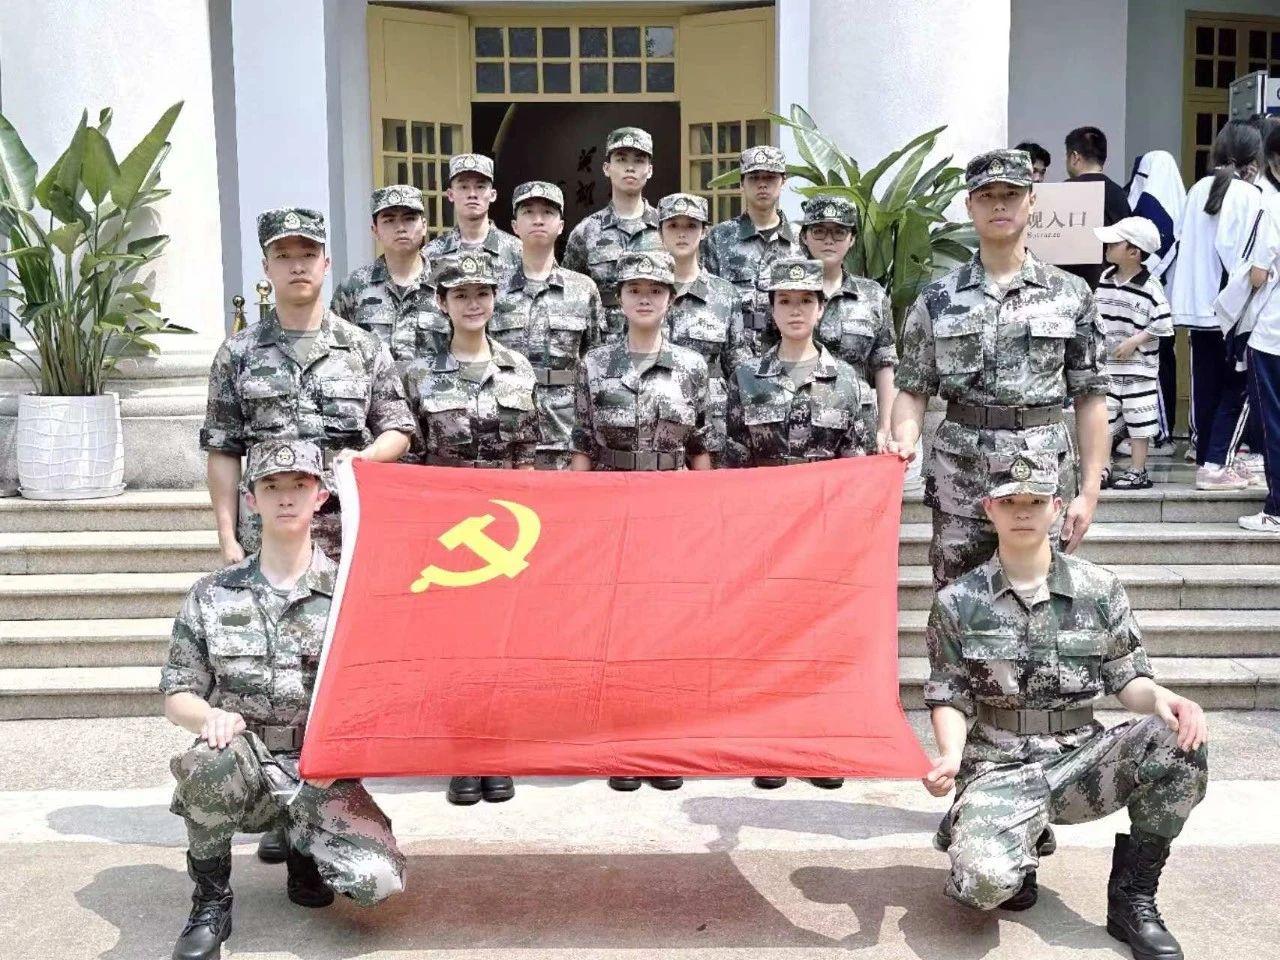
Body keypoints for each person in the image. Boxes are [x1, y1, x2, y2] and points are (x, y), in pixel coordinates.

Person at [922, 450, 1207, 960]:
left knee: (1178, 740)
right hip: (998, 764)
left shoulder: (1099, 589)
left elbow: (1128, 678)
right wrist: (949, 756)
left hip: (1080, 760)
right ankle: (1000, 833)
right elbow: (949, 693)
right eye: (1010, 501)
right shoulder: (957, 601)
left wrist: (1166, 699)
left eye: (1035, 501)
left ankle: (1133, 898)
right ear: (989, 508)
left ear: (1057, 507)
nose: (1023, 511)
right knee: (984, 887)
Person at [201, 208, 415, 865]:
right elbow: (222, 448)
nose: (297, 265)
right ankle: (277, 805)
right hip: (268, 542)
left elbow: (399, 428)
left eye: (308, 254)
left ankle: (329, 801)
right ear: (267, 267)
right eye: (284, 255)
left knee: (335, 678)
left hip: (343, 546)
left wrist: (365, 457)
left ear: (326, 263)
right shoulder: (239, 353)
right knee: (270, 678)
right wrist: (227, 536)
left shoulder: (363, 348)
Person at [160, 439, 406, 960]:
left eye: (300, 485)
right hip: (245, 763)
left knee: (378, 881)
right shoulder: (213, 593)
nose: (286, 497)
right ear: (251, 500)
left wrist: (344, 750)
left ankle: (303, 848)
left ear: (321, 497)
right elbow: (178, 693)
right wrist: (210, 716)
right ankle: (211, 899)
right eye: (272, 487)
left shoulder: (351, 592)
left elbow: (379, 694)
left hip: (322, 772)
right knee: (207, 762)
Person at [890, 149, 1109, 590]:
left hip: (1040, 477)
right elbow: (912, 389)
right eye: (986, 196)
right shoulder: (937, 299)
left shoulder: (1069, 294)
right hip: (960, 479)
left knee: (1041, 602)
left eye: (1010, 194)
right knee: (957, 602)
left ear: (1032, 200)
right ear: (969, 205)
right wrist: (904, 441)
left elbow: (1090, 396)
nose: (999, 205)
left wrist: (1089, 493)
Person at [725, 257, 876, 792]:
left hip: (824, 534)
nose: (795, 310)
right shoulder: (746, 378)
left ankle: (819, 744)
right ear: (770, 309)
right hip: (763, 532)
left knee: (820, 639)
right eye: (785, 301)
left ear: (821, 308)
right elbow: (733, 460)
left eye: (805, 301)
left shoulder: (848, 381)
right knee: (767, 637)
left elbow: (859, 464)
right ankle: (770, 742)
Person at [571, 249, 710, 792]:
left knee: (667, 625)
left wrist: (706, 515)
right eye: (635, 290)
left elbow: (702, 446)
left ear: (671, 299)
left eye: (655, 290)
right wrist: (577, 516)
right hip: (610, 506)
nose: (645, 298)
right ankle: (621, 739)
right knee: (616, 625)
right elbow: (582, 442)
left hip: (672, 506)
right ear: (620, 299)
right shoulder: (594, 365)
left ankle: (662, 738)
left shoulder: (692, 368)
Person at [404, 252, 538, 806]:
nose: (473, 303)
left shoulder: (519, 369)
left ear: (495, 299)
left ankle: (496, 749)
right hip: (447, 532)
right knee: (454, 645)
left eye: (482, 293)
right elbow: (410, 457)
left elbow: (530, 454)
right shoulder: (418, 374)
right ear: (442, 303)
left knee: (502, 643)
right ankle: (461, 752)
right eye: (460, 295)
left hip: (508, 531)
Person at [1168, 120, 1263, 490]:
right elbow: (1241, 255)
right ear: (1253, 158)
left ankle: (1208, 457)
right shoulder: (1247, 194)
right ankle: (1216, 463)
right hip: (1229, 309)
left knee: (1206, 387)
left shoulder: (1198, 189)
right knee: (1237, 387)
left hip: (1196, 307)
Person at [492, 181, 604, 470]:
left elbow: (595, 362)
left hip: (565, 432)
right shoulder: (492, 289)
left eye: (548, 213)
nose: (538, 219)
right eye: (528, 212)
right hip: (504, 430)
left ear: (561, 226)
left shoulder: (583, 289)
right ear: (515, 225)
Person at [797, 194, 897, 450]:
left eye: (839, 232)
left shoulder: (872, 295)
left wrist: (885, 427)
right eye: (819, 231)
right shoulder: (787, 294)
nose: (829, 240)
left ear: (852, 239)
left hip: (857, 425)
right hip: (798, 423)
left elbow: (884, 364)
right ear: (805, 236)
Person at [659, 192, 751, 466]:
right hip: (657, 418)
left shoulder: (724, 294)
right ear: (660, 231)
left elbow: (737, 365)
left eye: (691, 226)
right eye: (673, 225)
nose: (682, 233)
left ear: (704, 231)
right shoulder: (645, 291)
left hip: (712, 421)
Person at [1095, 217, 1174, 490]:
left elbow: (1163, 322)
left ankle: (1138, 470)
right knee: (1104, 419)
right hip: (1108, 367)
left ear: (1134, 252)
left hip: (1139, 369)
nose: (1107, 246)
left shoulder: (1150, 286)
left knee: (1139, 420)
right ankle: (1103, 467)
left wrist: (1135, 341)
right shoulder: (1105, 279)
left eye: (1114, 243)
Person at [563, 127, 663, 342]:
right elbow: (570, 295)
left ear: (650, 170)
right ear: (607, 168)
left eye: (638, 160)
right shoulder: (585, 231)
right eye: (621, 159)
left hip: (657, 341)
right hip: (602, 347)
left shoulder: (665, 228)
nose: (630, 167)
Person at [330, 184, 446, 367]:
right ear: (375, 230)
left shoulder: (448, 284)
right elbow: (336, 351)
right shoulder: (352, 288)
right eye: (389, 220)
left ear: (424, 226)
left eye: (409, 219)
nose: (400, 228)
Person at [702, 145, 803, 354]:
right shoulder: (720, 237)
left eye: (770, 177)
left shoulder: (801, 239)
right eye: (754, 178)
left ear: (783, 182)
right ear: (742, 184)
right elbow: (708, 299)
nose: (762, 184)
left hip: (786, 354)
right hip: (732, 355)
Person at [1123, 151, 1187, 456]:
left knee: (1156, 368)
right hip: (1158, 300)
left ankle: (1160, 435)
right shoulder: (1176, 205)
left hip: (1155, 302)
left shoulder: (1158, 209)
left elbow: (1155, 256)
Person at [1239, 130, 1280, 532]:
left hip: (1273, 334)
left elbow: (1258, 274)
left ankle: (1277, 508)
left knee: (1273, 423)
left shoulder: (1273, 208)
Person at [425, 153, 522, 289]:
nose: (472, 194)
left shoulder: (516, 251)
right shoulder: (431, 253)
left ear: (493, 195)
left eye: (480, 187)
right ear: (451, 195)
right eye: (464, 187)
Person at [1062, 126, 1133, 290]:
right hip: (1109, 286)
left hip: (1070, 286)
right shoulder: (1119, 194)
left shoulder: (1064, 191)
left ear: (1074, 157)